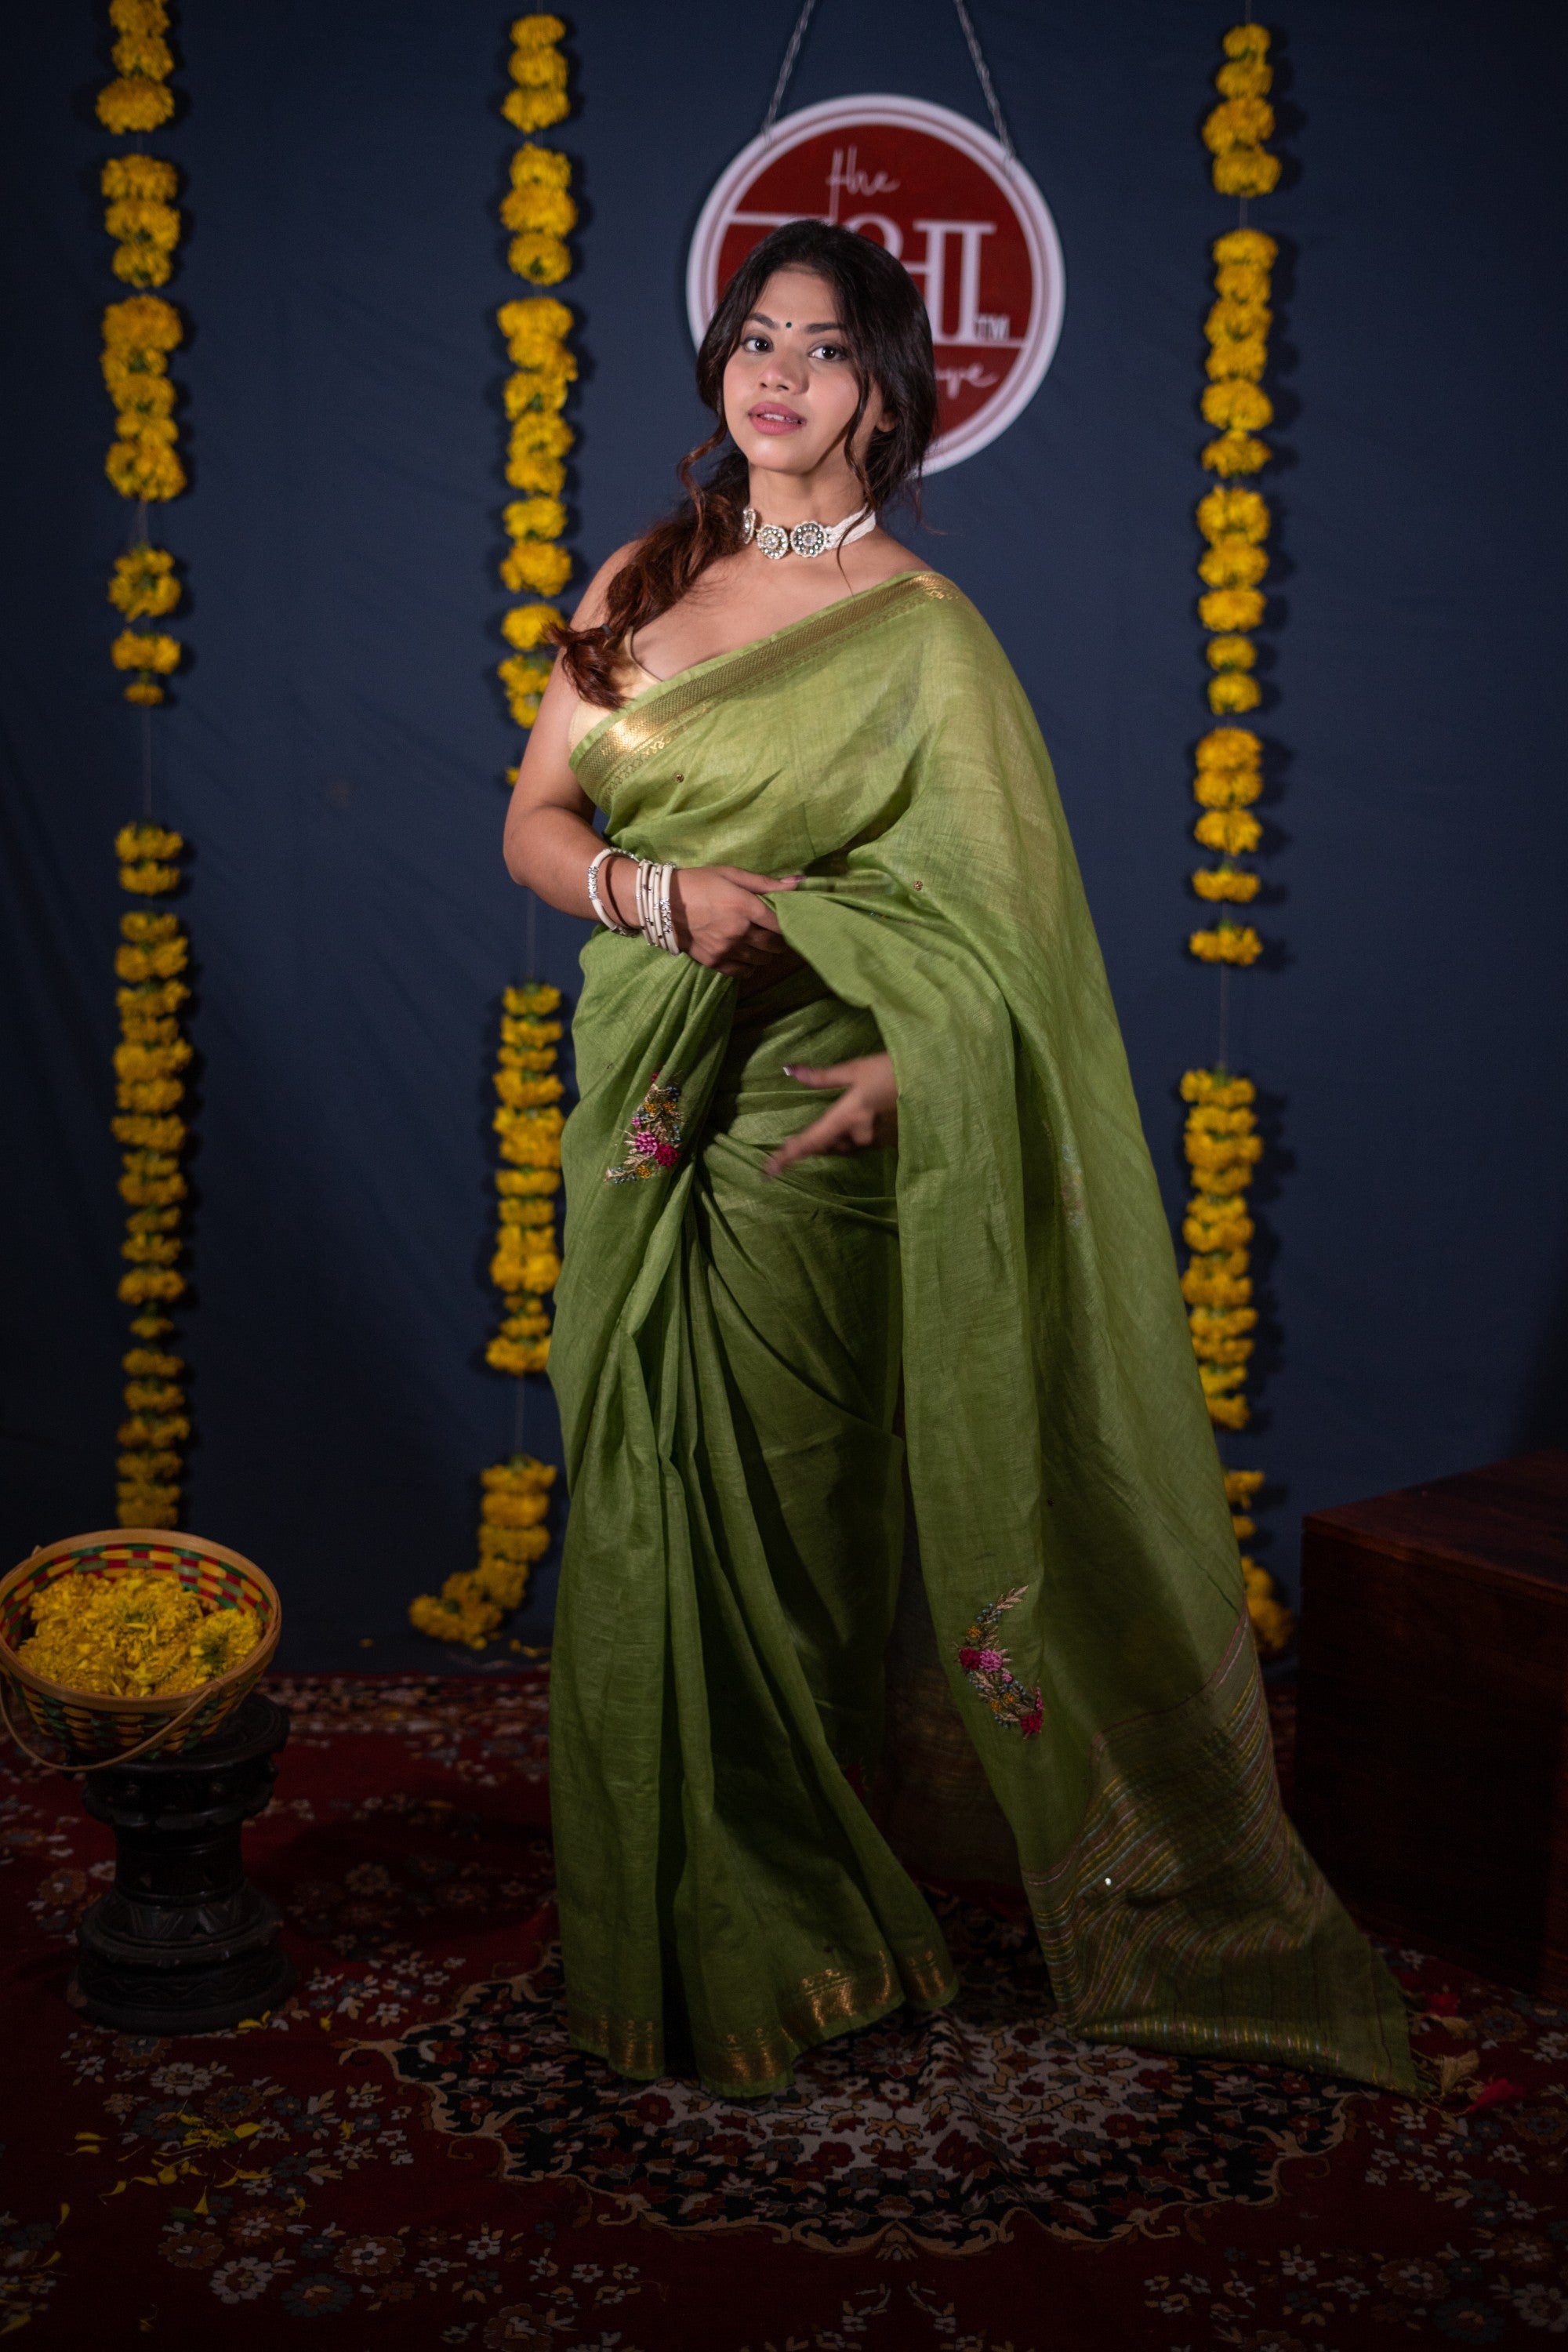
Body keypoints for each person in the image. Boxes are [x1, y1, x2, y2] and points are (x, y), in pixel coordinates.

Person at [503, 220, 1416, 2102]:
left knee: (789, 1531)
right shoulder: (641, 573)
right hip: (642, 1110)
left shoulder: (923, 635)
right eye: (756, 338)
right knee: (642, 1508)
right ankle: (669, 1927)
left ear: (887, 394)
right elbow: (535, 814)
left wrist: (903, 1066)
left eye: (825, 347)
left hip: (809, 1135)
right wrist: (649, 894)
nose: (778, 373)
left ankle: (802, 1923)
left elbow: (1008, 950)